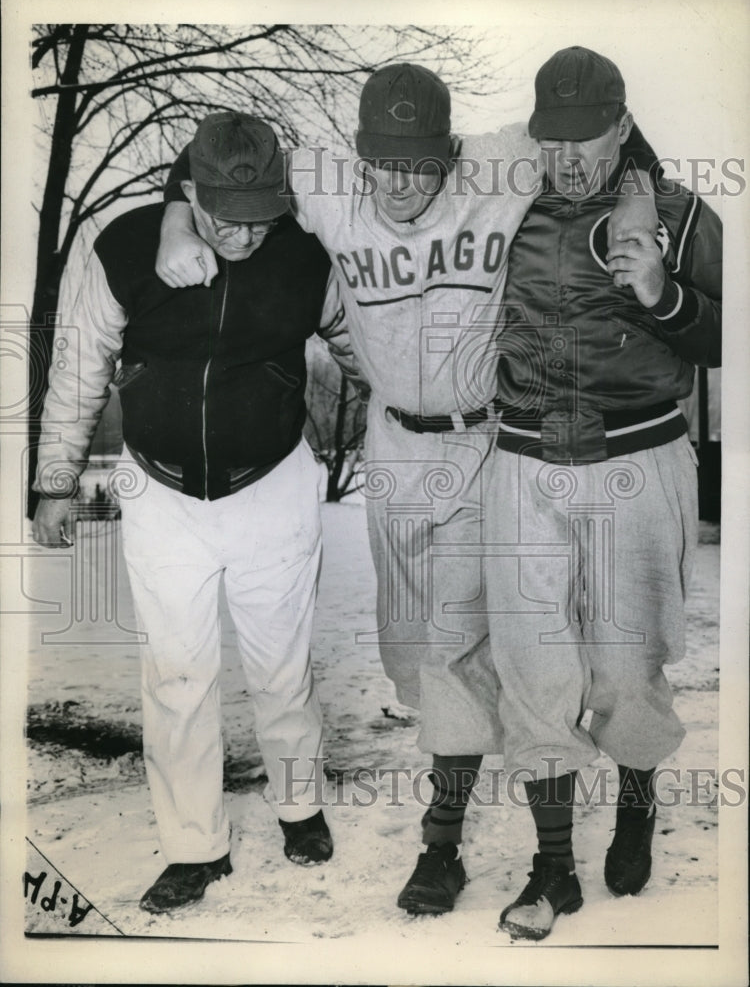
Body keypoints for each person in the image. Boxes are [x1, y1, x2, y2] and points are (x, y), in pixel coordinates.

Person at [156, 64, 659, 917]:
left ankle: (473, 846)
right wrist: (177, 218)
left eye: (419, 164)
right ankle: (470, 824)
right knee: (420, 655)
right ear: (360, 154)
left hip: (492, 439)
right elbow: (217, 154)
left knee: (511, 643)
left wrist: (639, 203)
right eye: (383, 163)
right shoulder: (326, 183)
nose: (398, 183)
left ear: (450, 150)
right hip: (395, 445)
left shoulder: (497, 163)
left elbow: (608, 129)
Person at [31, 112, 356, 914]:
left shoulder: (307, 254)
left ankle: (299, 806)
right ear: (191, 191)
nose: (244, 237)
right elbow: (79, 365)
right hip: (160, 492)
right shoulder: (123, 247)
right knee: (176, 675)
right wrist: (56, 479)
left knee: (282, 667)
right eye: (225, 219)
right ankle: (193, 847)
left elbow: (362, 346)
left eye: (260, 219)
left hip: (273, 484)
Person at [486, 46, 722, 941]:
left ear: (622, 126)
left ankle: (636, 798)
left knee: (627, 658)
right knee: (533, 660)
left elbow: (730, 335)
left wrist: (662, 293)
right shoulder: (507, 200)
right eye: (552, 138)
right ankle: (553, 864)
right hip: (524, 457)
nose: (567, 157)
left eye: (585, 137)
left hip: (639, 453)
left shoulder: (679, 213)